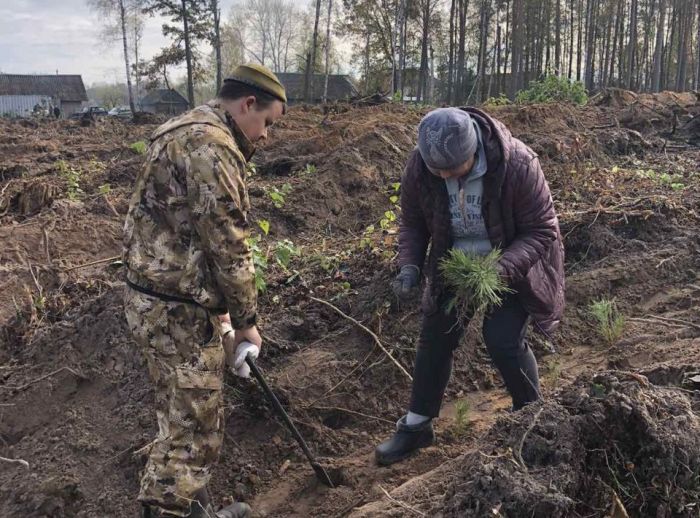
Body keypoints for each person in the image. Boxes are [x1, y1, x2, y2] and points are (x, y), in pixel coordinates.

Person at [122, 63, 287, 518]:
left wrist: (222, 317)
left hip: (154, 299)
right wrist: (248, 323)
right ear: (247, 104)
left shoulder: (178, 128)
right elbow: (228, 244)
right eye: (267, 123)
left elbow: (180, 231)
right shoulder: (212, 148)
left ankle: (198, 512)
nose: (266, 136)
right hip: (176, 311)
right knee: (193, 433)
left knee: (179, 413)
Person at [375, 107, 565, 466]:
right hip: (455, 260)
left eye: (452, 168)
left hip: (511, 262)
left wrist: (500, 269)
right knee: (436, 336)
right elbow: (413, 222)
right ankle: (417, 426)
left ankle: (531, 419)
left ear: (473, 150)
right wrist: (410, 267)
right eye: (437, 170)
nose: (444, 175)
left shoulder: (518, 164)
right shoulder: (421, 166)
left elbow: (543, 229)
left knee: (503, 339)